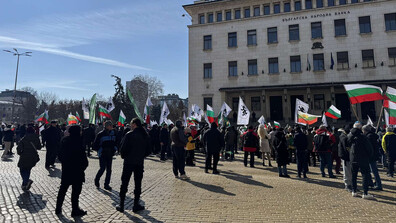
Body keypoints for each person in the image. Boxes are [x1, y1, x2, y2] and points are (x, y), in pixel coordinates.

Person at [116, 118, 151, 213]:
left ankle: (121, 205)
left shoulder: (129, 135)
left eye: (132, 124)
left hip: (128, 162)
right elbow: (149, 150)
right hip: (139, 162)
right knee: (138, 183)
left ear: (135, 124)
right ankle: (136, 204)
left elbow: (122, 149)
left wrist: (125, 156)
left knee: (124, 183)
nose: (131, 125)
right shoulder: (145, 135)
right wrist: (141, 156)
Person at [55, 125, 88, 217]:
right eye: (80, 131)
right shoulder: (79, 142)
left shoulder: (64, 140)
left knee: (63, 189)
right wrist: (83, 167)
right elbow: (83, 159)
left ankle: (58, 208)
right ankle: (75, 209)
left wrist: (65, 163)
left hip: (67, 169)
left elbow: (60, 155)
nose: (81, 132)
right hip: (77, 171)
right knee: (76, 192)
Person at [347, 122, 375, 200]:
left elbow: (347, 146)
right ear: (360, 128)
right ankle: (365, 192)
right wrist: (369, 156)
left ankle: (354, 191)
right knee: (365, 175)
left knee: (354, 175)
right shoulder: (363, 137)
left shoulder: (349, 136)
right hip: (363, 158)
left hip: (353, 158)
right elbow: (369, 148)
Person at [93, 121, 118, 190]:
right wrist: (100, 150)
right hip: (103, 154)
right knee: (102, 168)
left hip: (110, 154)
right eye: (111, 125)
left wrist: (115, 148)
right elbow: (95, 145)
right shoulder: (100, 134)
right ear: (107, 126)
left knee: (109, 170)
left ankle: (106, 184)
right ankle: (97, 179)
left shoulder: (113, 134)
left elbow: (115, 142)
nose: (112, 127)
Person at [363, 125, 382, 190]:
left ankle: (379, 185)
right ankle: (376, 183)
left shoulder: (369, 137)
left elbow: (369, 148)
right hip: (374, 155)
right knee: (373, 170)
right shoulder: (372, 135)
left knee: (374, 171)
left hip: (371, 156)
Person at [338, 126, 352, 192]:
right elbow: (345, 146)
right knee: (346, 171)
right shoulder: (343, 136)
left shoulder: (345, 136)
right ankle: (347, 185)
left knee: (350, 171)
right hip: (345, 156)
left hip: (349, 156)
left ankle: (351, 184)